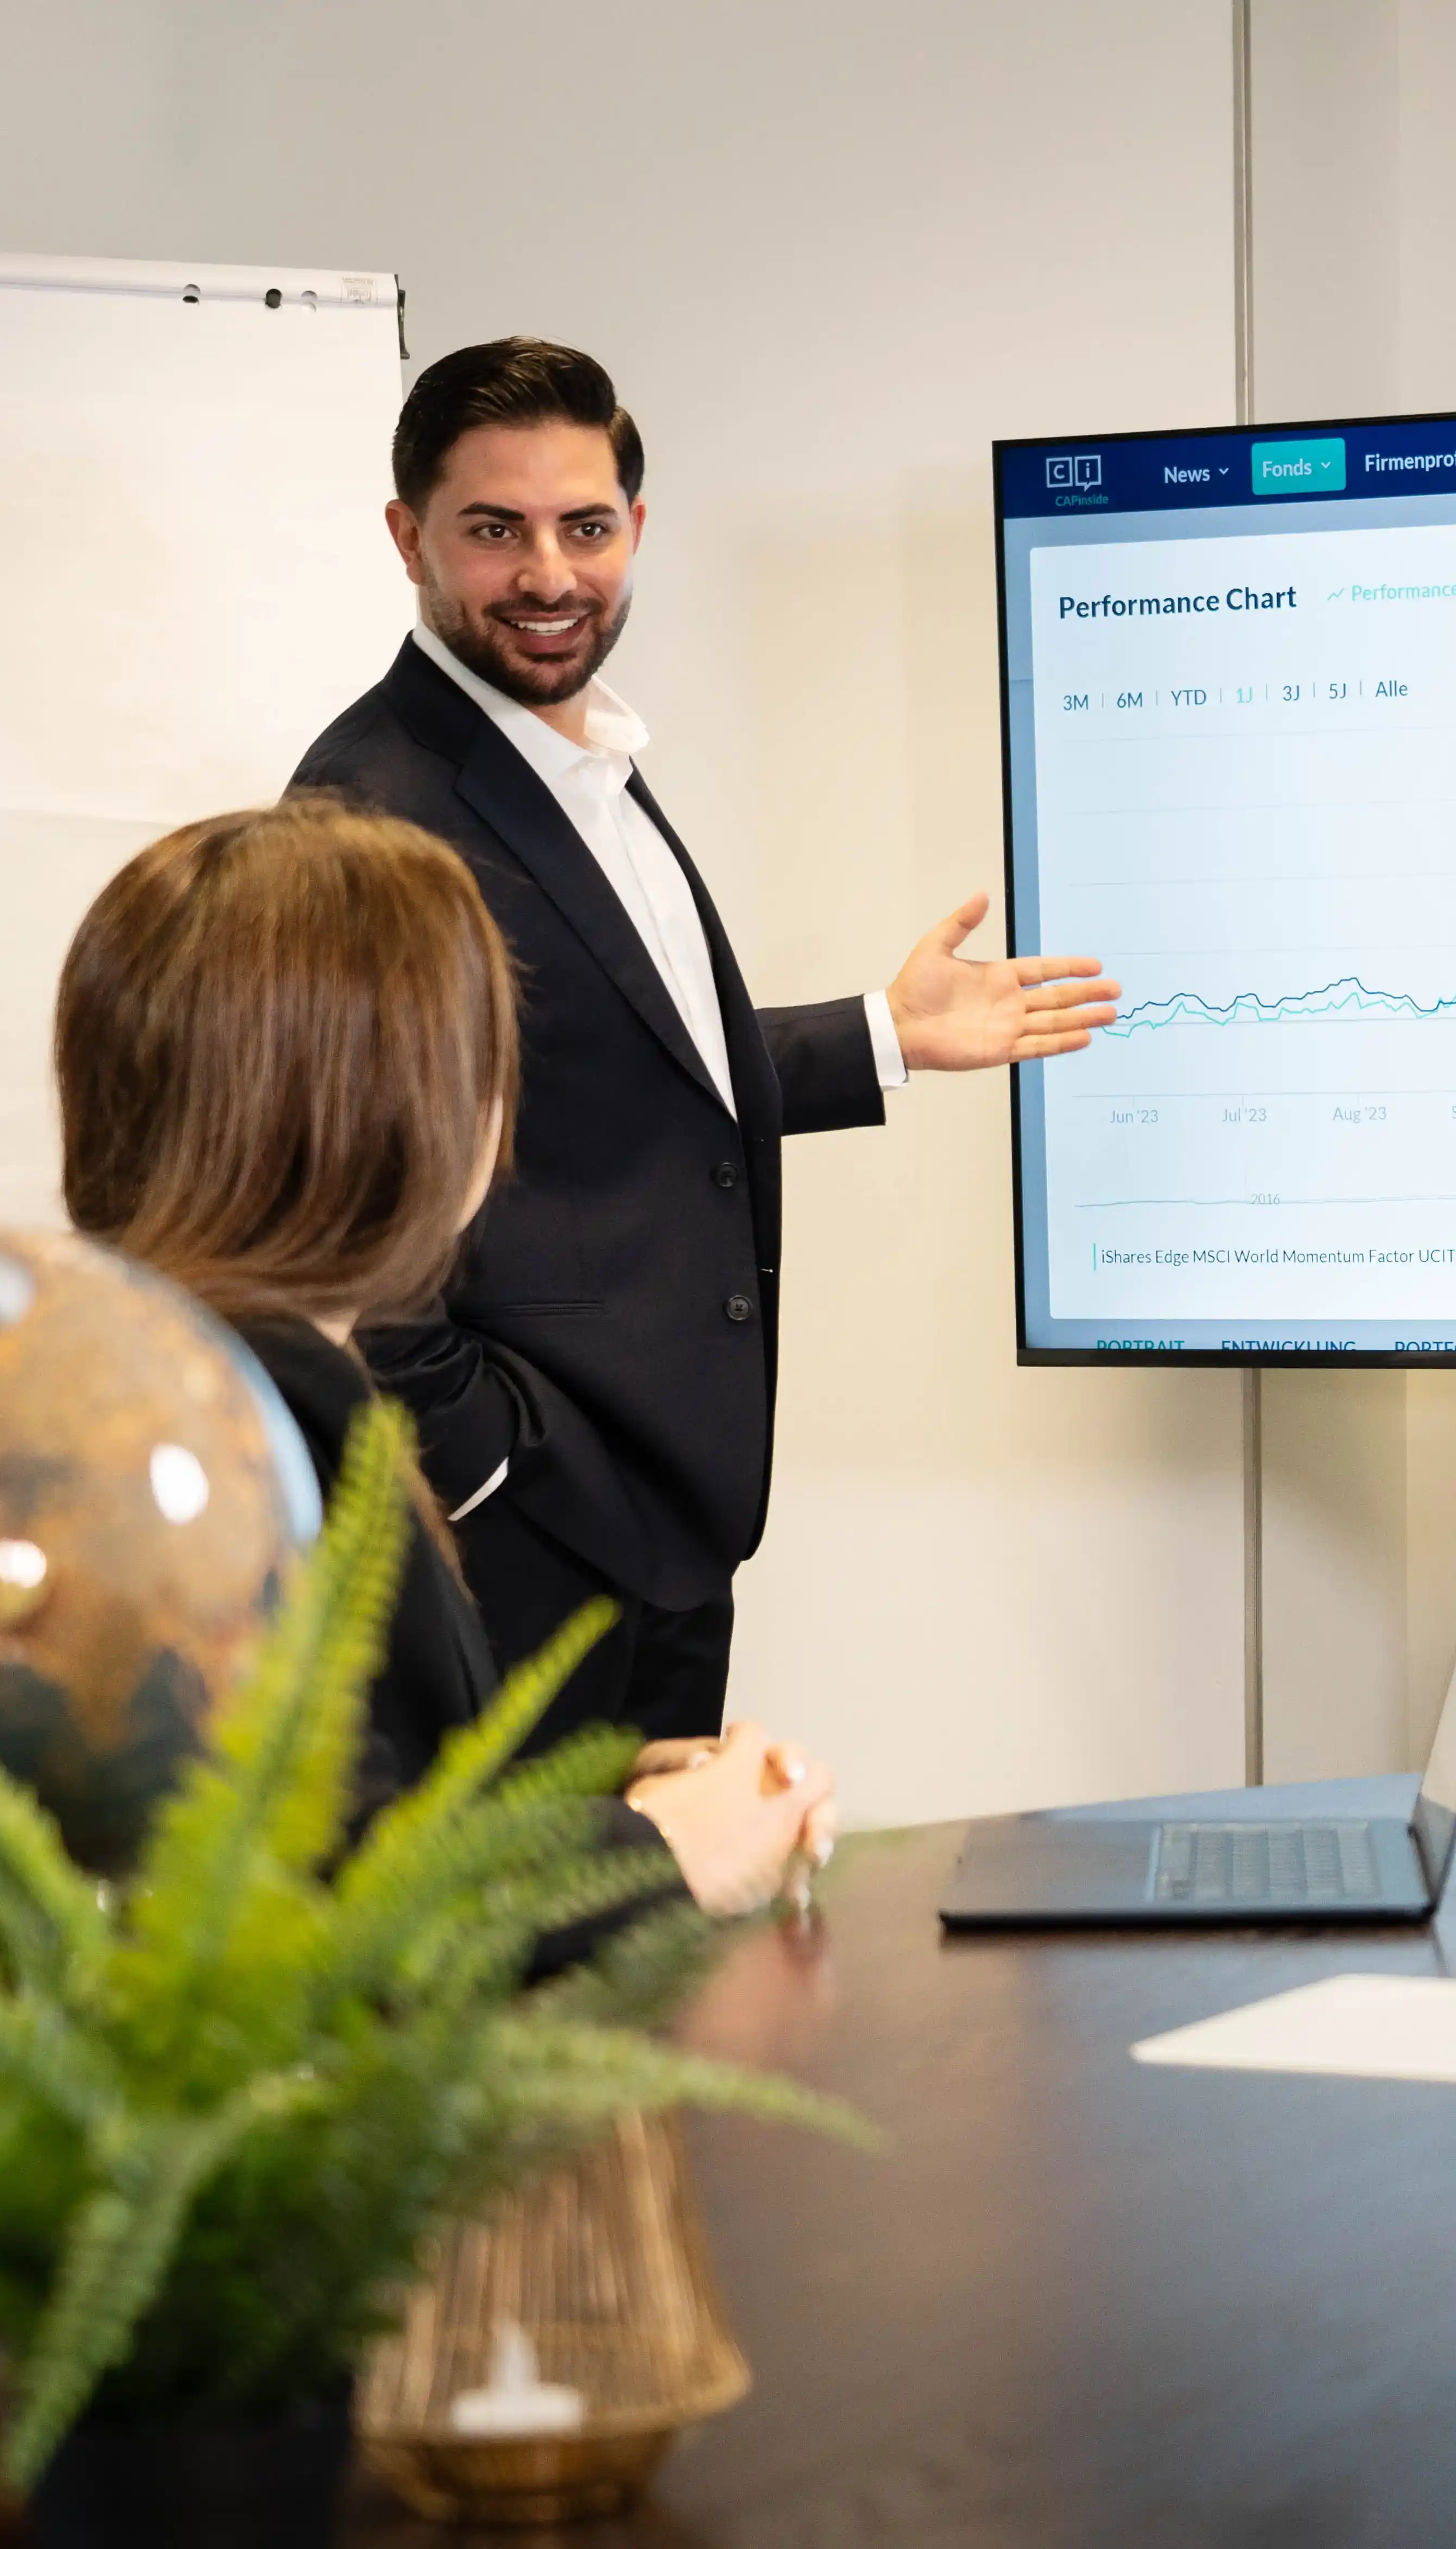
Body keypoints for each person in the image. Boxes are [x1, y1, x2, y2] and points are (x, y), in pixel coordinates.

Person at [290, 339, 1121, 1746]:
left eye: (584, 527)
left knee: (657, 1887)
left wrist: (884, 1035)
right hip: (523, 1555)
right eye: (495, 530)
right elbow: (335, 1222)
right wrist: (491, 1479)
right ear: (408, 537)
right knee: (559, 1897)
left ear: (634, 526)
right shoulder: (372, 817)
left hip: (660, 1529)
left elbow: (609, 1069)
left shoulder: (580, 761)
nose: (549, 574)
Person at [53, 797, 832, 1914]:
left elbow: (347, 1806)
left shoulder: (155, 1397)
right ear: (404, 1114)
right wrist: (660, 1854)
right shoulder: (271, 1450)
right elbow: (347, 1916)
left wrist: (612, 1799)